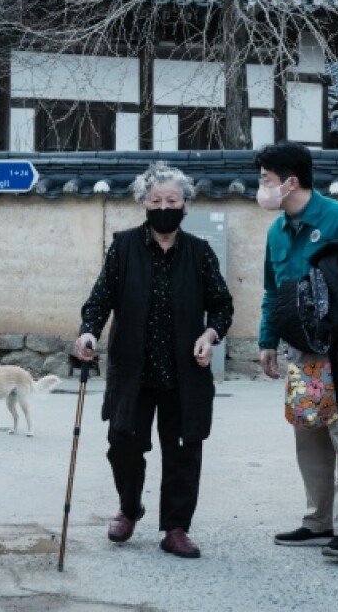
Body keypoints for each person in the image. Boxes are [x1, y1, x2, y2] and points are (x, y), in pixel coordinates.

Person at [75, 162, 233, 559]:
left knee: (184, 450)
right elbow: (100, 299)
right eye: (156, 200)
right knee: (123, 444)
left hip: (185, 373)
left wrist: (210, 334)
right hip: (134, 370)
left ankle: (176, 527)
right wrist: (89, 330)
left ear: (185, 205)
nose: (164, 206)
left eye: (172, 200)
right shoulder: (124, 247)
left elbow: (222, 306)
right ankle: (129, 508)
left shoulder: (199, 252)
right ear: (144, 204)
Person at [255, 141, 338, 562]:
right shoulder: (277, 232)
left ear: (290, 182)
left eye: (265, 180)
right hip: (301, 350)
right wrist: (267, 340)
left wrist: (333, 305)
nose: (259, 187)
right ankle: (320, 522)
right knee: (310, 435)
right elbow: (272, 290)